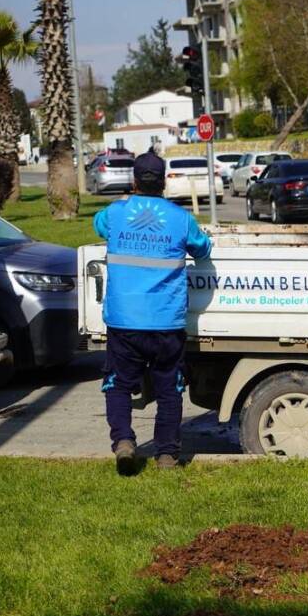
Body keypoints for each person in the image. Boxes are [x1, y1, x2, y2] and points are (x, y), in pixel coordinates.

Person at [93, 150, 212, 474]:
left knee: (118, 384)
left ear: (134, 180)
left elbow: (98, 225)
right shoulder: (179, 218)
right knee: (169, 390)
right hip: (165, 322)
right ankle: (167, 456)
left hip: (124, 320)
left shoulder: (116, 213)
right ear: (163, 183)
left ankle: (123, 441)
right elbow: (203, 249)